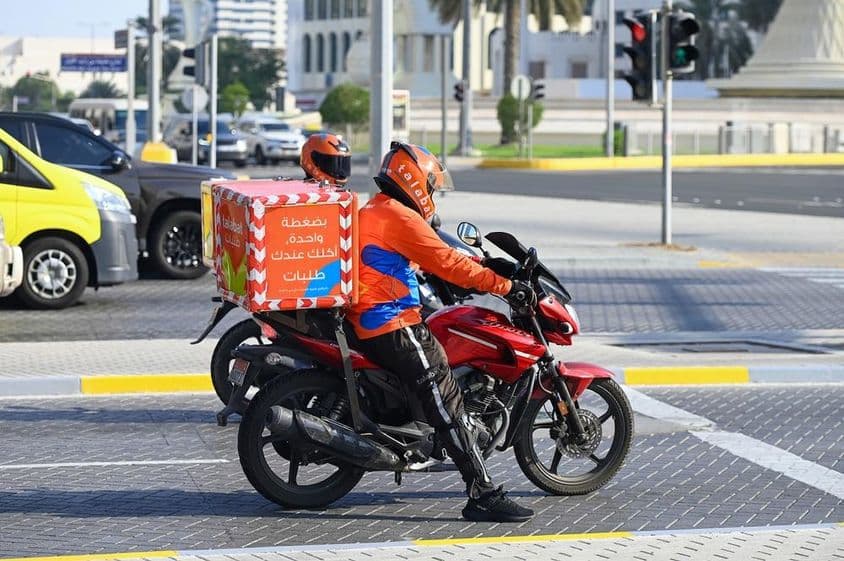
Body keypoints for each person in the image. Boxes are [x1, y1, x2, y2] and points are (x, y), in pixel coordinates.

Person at [346, 141, 537, 523]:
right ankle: (481, 494)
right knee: (445, 397)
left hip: (373, 318)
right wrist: (505, 286)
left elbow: (429, 256)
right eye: (431, 185)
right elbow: (447, 260)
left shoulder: (380, 209)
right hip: (392, 323)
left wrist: (479, 268)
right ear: (415, 180)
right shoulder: (399, 215)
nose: (432, 193)